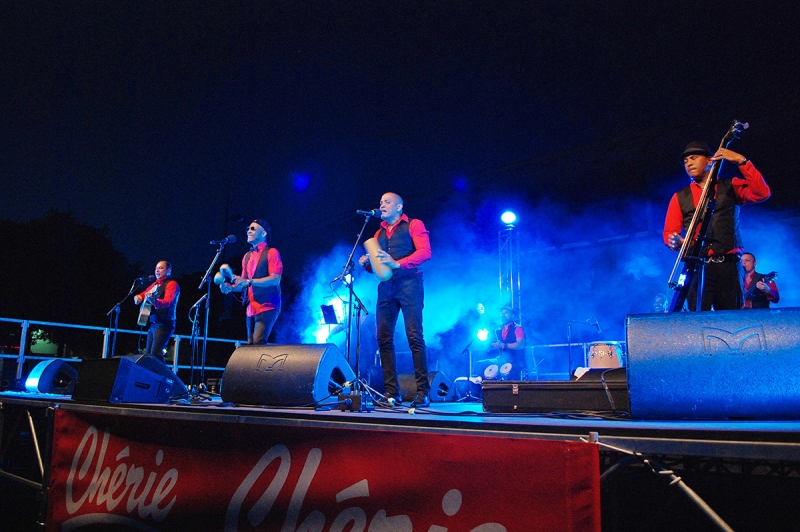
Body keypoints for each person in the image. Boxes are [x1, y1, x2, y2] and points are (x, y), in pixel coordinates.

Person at [663, 141, 770, 311]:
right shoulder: (680, 196)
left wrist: (741, 161)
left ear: (709, 160)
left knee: (730, 319)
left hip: (729, 265)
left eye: (694, 158)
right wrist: (675, 241)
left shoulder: (730, 186)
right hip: (698, 266)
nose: (688, 163)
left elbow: (761, 193)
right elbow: (670, 232)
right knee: (698, 320)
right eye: (685, 161)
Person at [359, 192, 432, 407]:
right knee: (383, 338)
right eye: (380, 202)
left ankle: (423, 392)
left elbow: (425, 252)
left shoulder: (413, 224)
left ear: (399, 206)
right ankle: (392, 393)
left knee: (414, 336)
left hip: (410, 283)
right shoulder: (378, 232)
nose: (382, 204)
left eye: (387, 202)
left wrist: (398, 263)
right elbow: (379, 269)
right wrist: (368, 264)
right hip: (387, 287)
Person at [220, 219, 282, 344]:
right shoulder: (247, 256)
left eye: (253, 229)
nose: (248, 231)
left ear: (263, 233)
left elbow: (275, 280)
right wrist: (231, 287)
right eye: (248, 228)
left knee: (258, 343)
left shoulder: (272, 253)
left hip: (268, 306)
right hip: (251, 308)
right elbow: (243, 285)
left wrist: (249, 281)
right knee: (250, 347)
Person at [134, 261, 180, 363]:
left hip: (164, 324)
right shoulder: (155, 284)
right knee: (148, 355)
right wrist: (139, 297)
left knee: (156, 354)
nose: (157, 271)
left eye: (161, 268)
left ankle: (167, 378)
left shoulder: (172, 284)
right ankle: (151, 378)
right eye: (156, 269)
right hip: (153, 324)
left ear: (169, 270)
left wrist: (154, 301)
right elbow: (144, 293)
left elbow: (168, 302)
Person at [474, 306, 527, 380]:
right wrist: (492, 346)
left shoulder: (517, 328)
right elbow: (497, 345)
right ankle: (484, 388)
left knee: (508, 371)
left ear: (512, 315)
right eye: (501, 313)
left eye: (506, 313)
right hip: (501, 359)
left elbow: (520, 345)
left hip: (516, 360)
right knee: (479, 365)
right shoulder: (498, 330)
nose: (503, 315)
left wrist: (503, 345)